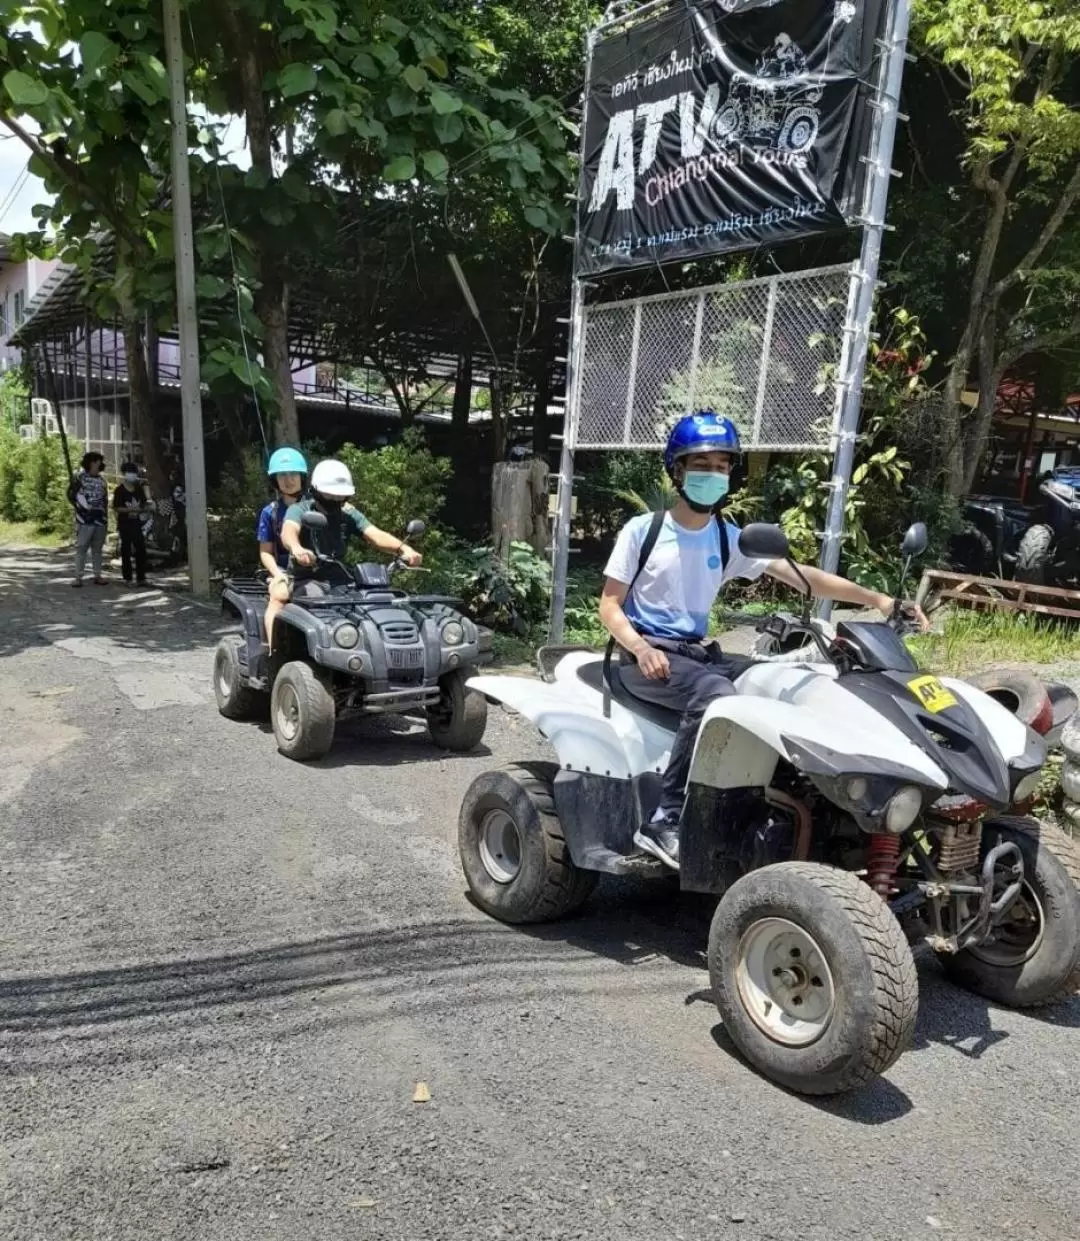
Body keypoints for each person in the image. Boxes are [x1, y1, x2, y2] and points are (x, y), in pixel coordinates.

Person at [598, 410, 929, 870]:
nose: (712, 474)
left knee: (782, 678)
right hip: (644, 658)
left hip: (694, 654)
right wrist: (641, 647)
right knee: (716, 693)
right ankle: (664, 818)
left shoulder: (725, 537)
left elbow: (803, 578)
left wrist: (881, 600)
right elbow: (609, 605)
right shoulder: (644, 532)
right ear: (677, 470)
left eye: (721, 465)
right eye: (700, 464)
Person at [279, 457, 423, 595]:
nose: (336, 500)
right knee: (306, 598)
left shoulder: (348, 514)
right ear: (316, 491)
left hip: (341, 580)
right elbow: (289, 530)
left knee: (375, 598)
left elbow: (375, 534)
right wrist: (296, 548)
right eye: (330, 495)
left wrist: (404, 549)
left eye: (340, 496)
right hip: (305, 579)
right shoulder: (300, 509)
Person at [256, 446, 309, 645]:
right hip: (287, 572)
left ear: (302, 476)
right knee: (278, 598)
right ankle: (272, 651)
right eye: (282, 475)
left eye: (293, 474)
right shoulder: (270, 512)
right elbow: (265, 552)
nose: (288, 480)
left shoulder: (315, 507)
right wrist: (277, 574)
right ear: (275, 480)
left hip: (318, 570)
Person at [67, 451, 109, 587]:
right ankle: (78, 576)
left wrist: (105, 516)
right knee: (82, 548)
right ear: (92, 462)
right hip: (84, 520)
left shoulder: (102, 480)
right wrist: (81, 509)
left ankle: (97, 575)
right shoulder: (79, 478)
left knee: (97, 549)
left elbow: (105, 499)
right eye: (98, 461)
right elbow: (71, 496)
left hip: (100, 519)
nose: (101, 464)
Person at [112, 461, 151, 586]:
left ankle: (141, 577)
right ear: (124, 474)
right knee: (126, 550)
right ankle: (127, 578)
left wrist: (145, 508)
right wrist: (130, 510)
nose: (132, 475)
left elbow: (145, 504)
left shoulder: (139, 490)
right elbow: (117, 507)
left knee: (141, 549)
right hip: (125, 524)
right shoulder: (119, 490)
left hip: (137, 524)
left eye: (134, 473)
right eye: (130, 473)